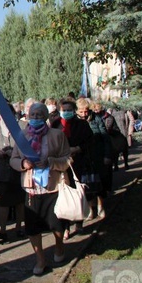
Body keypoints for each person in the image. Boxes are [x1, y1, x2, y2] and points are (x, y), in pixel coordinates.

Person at [10, 102, 72, 276]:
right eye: (33, 114)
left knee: (56, 224)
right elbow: (13, 159)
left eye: (39, 115)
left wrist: (52, 162)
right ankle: (40, 259)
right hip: (32, 188)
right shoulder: (22, 136)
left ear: (45, 116)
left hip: (53, 187)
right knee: (33, 227)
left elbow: (68, 159)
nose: (36, 117)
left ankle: (59, 248)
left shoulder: (57, 135)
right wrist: (23, 163)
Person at [51, 98, 93, 237]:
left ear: (74, 111)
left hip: (78, 162)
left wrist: (77, 148)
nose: (67, 112)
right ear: (59, 111)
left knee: (78, 192)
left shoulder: (82, 124)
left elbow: (90, 142)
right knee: (63, 195)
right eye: (64, 110)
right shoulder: (55, 124)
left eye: (69, 110)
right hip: (61, 164)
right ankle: (65, 226)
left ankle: (79, 222)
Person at [0, 103, 25, 241]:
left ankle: (19, 227)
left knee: (20, 201)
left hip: (19, 167)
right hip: (3, 168)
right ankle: (2, 230)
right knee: (4, 201)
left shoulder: (22, 126)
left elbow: (27, 144)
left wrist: (15, 152)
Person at [77, 98, 112, 219]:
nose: (84, 114)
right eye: (81, 112)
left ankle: (100, 205)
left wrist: (107, 155)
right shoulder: (76, 123)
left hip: (97, 155)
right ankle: (91, 208)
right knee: (87, 185)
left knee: (99, 183)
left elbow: (105, 138)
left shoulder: (96, 119)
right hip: (83, 158)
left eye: (85, 111)